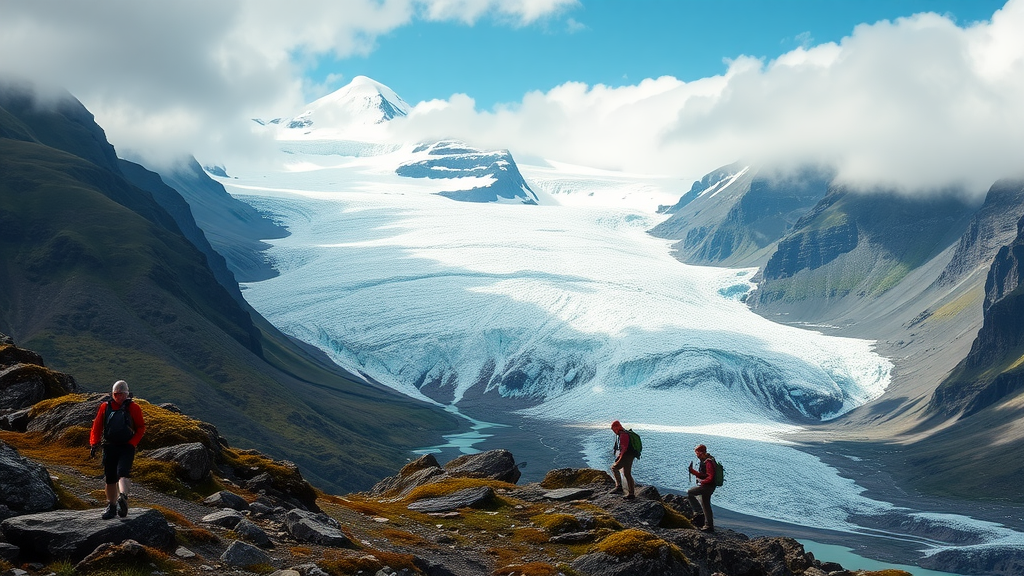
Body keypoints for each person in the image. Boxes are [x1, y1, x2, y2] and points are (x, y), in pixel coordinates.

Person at [89, 380, 146, 520]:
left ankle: (118, 502)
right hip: (116, 446)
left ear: (126, 394)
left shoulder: (127, 407)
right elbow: (97, 427)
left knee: (118, 475)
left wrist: (132, 443)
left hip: (120, 446)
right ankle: (117, 501)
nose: (119, 396)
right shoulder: (110, 407)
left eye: (121, 394)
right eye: (116, 394)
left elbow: (141, 428)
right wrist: (94, 443)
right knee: (114, 476)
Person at [687, 443, 717, 532]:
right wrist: (694, 472)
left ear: (701, 452)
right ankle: (709, 526)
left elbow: (710, 477)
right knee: (706, 505)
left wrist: (701, 481)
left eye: (697, 453)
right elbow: (705, 475)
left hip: (708, 486)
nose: (697, 456)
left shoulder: (708, 462)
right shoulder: (708, 460)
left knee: (690, 492)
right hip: (709, 486)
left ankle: (698, 512)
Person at [609, 420, 636, 500]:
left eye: (613, 429)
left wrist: (620, 457)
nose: (614, 432)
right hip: (631, 455)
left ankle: (619, 487)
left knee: (614, 468)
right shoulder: (625, 433)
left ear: (616, 428)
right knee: (627, 473)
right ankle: (631, 493)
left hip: (626, 455)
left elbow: (624, 448)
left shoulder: (623, 435)